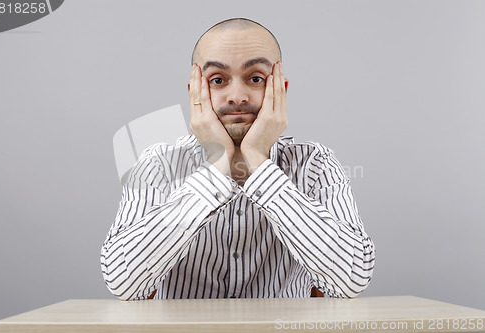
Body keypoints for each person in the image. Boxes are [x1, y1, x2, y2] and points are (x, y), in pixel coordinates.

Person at [100, 18, 375, 301]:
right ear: (195, 92)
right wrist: (215, 170)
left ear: (281, 89)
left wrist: (259, 163)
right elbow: (124, 284)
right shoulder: (159, 165)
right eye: (218, 80)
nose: (237, 97)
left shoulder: (315, 165)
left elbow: (351, 281)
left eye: (255, 78)